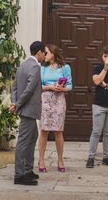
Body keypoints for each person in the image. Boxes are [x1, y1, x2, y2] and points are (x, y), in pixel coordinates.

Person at [9, 41, 46, 186]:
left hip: (25, 109)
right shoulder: (36, 67)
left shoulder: (23, 65)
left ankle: (28, 170)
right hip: (28, 110)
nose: (45, 56)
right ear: (39, 53)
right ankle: (19, 175)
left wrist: (14, 103)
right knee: (24, 142)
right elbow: (29, 90)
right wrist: (17, 105)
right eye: (45, 53)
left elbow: (14, 87)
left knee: (32, 138)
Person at [38, 44, 72, 173]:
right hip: (46, 100)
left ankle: (60, 159)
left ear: (53, 53)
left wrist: (61, 88)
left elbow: (70, 85)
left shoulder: (65, 67)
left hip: (59, 100)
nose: (44, 55)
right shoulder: (42, 68)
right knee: (44, 130)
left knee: (58, 131)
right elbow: (39, 85)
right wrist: (50, 87)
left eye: (46, 53)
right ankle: (41, 159)